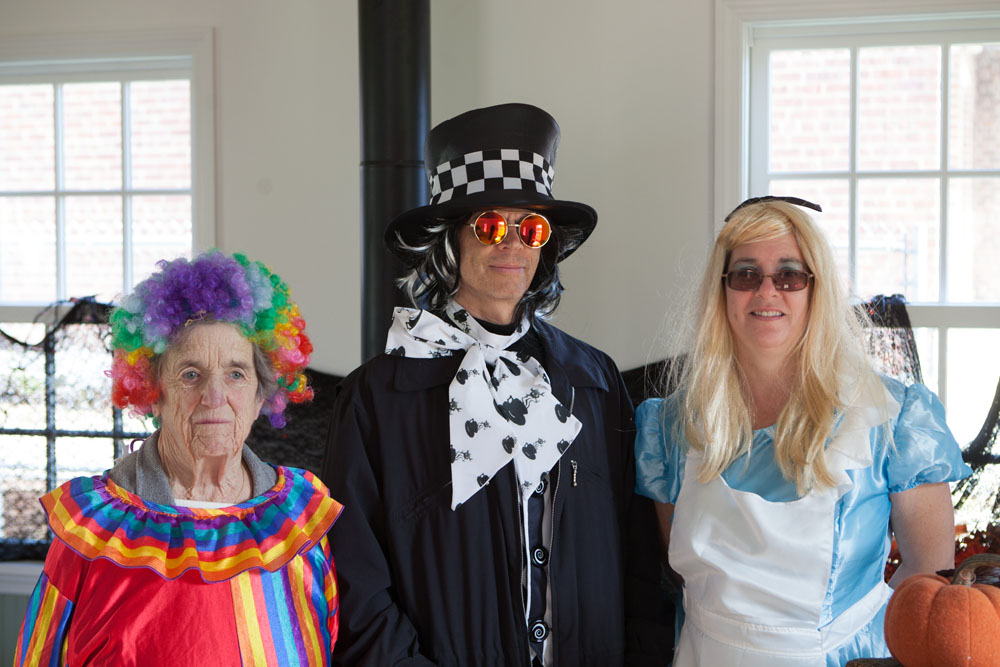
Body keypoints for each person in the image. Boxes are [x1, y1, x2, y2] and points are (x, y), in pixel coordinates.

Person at [321, 103, 662, 666]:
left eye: (530, 228)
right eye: (491, 225)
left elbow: (640, 561)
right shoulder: (374, 399)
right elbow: (352, 577)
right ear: (449, 241)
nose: (512, 245)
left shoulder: (593, 382)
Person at [634, 196, 972, 666]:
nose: (767, 291)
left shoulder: (894, 420)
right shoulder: (671, 426)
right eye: (746, 275)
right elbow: (679, 575)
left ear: (817, 290)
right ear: (723, 290)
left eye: (789, 275)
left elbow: (927, 582)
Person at [14, 250, 343, 667]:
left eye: (236, 373)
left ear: (262, 394)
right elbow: (38, 656)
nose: (215, 396)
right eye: (191, 374)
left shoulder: (300, 520)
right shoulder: (93, 528)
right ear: (152, 391)